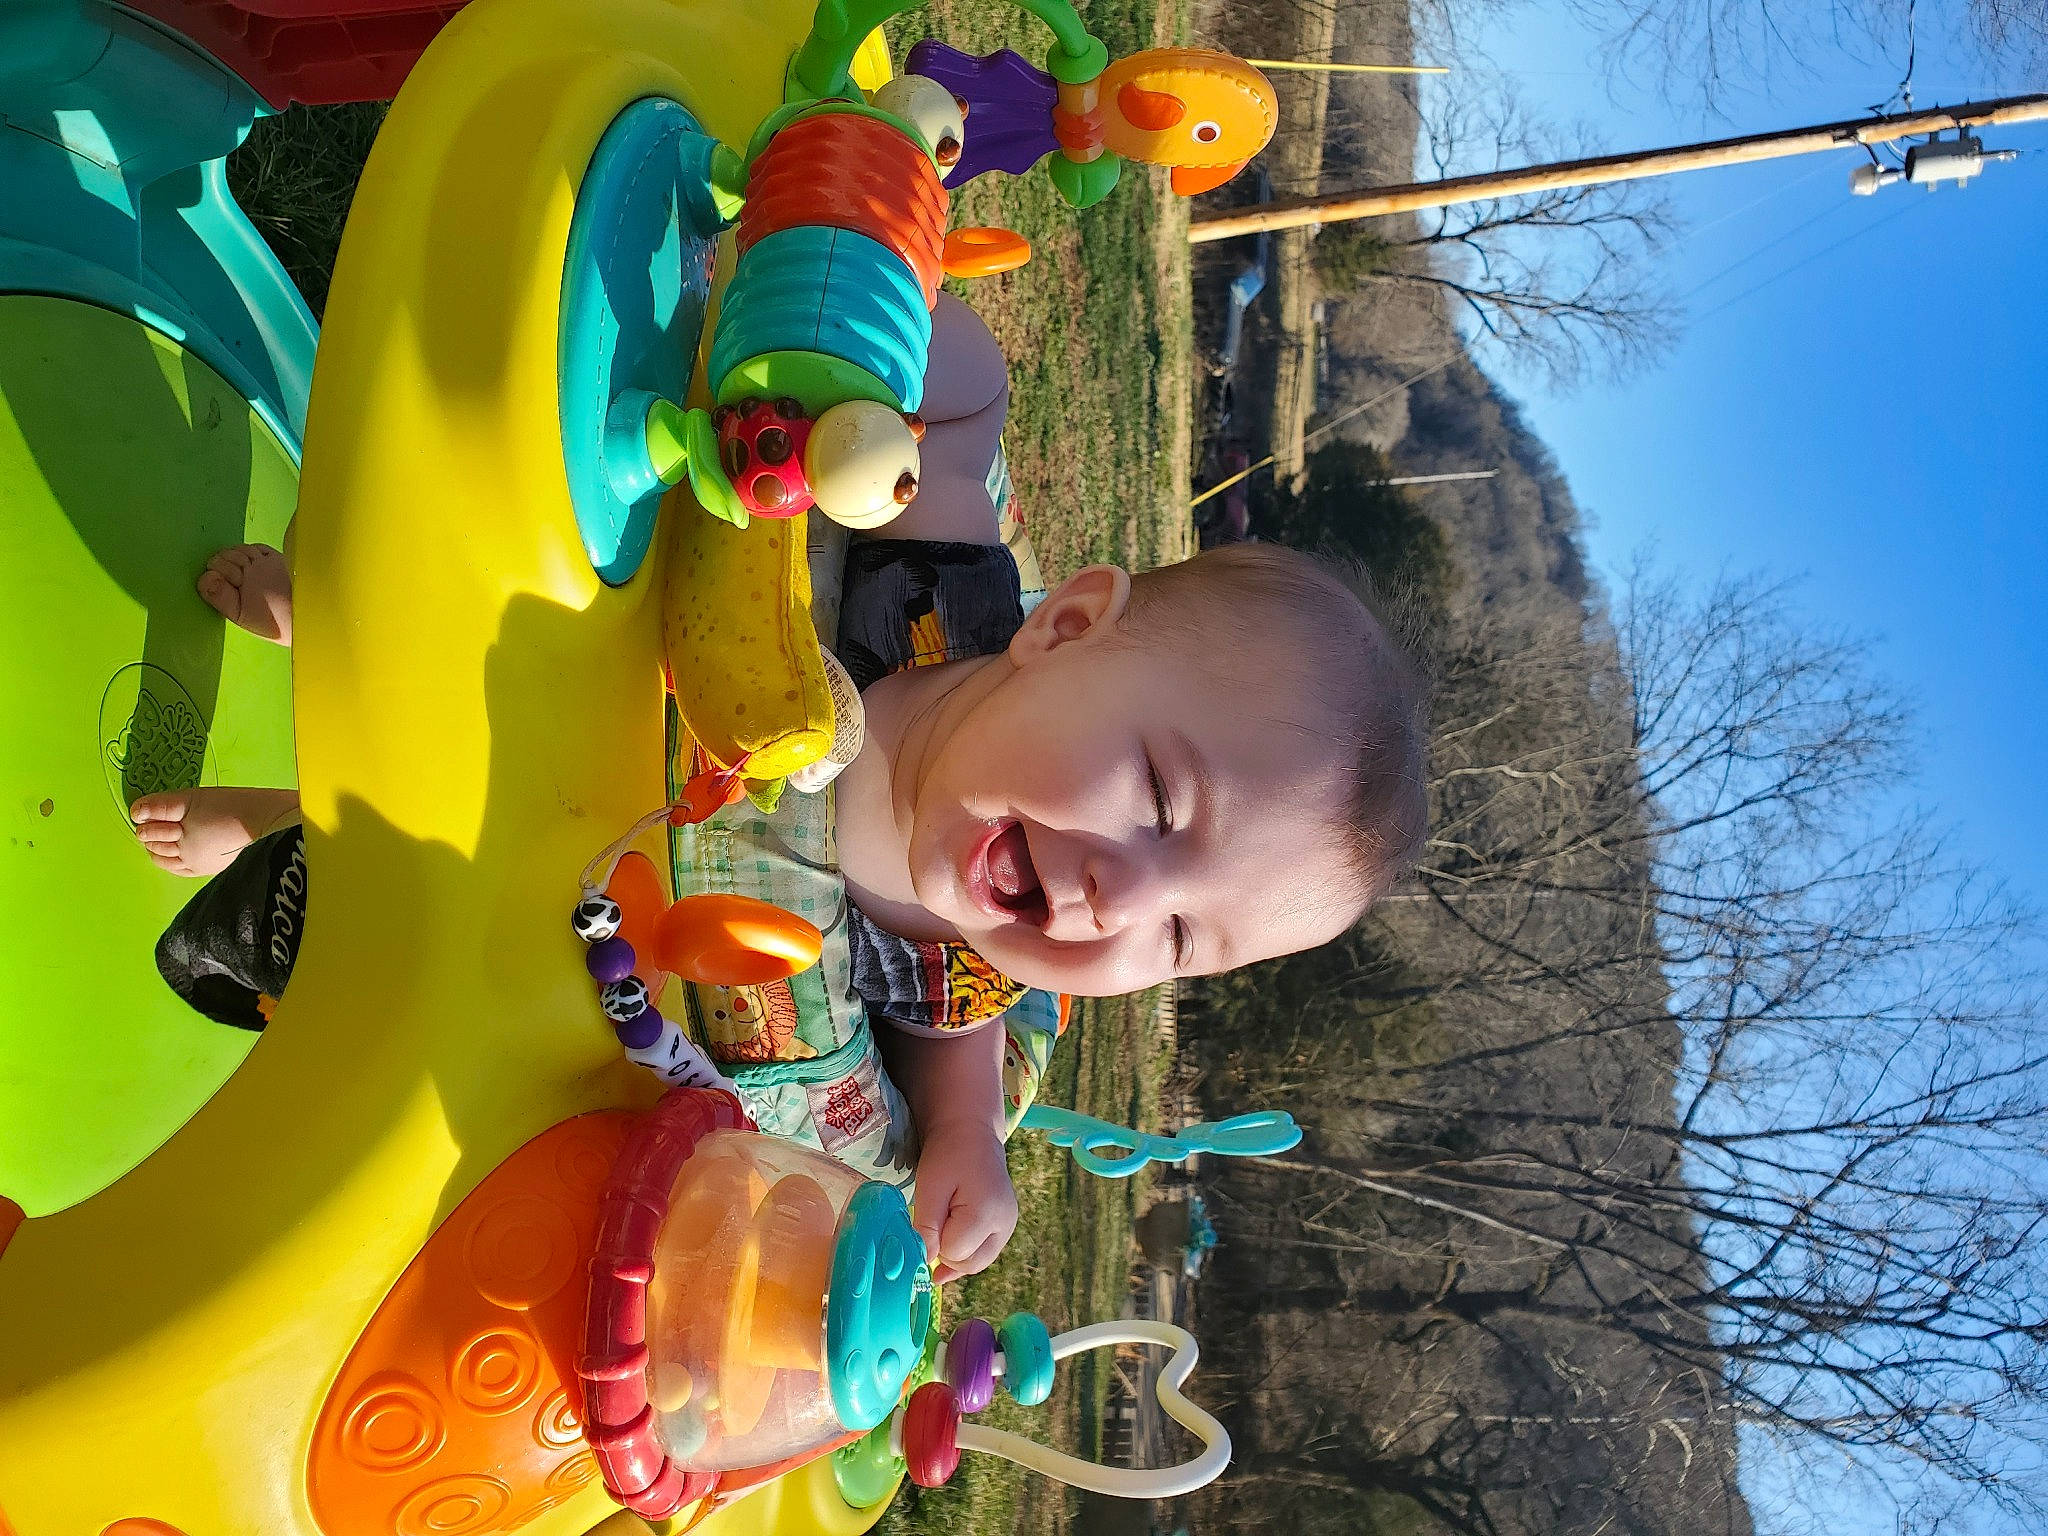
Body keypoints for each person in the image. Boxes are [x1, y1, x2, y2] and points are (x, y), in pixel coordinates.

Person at [133, 295, 1430, 1283]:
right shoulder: (934, 597)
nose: (1117, 894)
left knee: (394, 875)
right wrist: (900, 306)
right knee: (424, 654)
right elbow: (963, 423)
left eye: (1182, 939)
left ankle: (279, 823)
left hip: (571, 910)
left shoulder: (953, 957)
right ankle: (342, 634)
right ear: (1070, 626)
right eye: (1158, 799)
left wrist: (968, 1140)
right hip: (582, 662)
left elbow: (954, 1045)